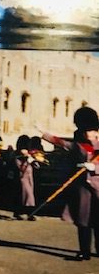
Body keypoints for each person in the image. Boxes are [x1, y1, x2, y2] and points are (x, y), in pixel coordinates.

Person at [41, 106, 99, 261]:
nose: (89, 134)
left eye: (91, 131)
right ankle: (84, 251)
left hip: (98, 187)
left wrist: (95, 168)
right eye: (86, 130)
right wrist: (44, 133)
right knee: (83, 221)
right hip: (83, 190)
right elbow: (61, 143)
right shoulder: (78, 146)